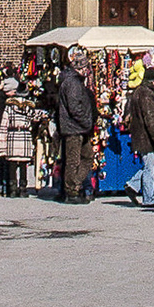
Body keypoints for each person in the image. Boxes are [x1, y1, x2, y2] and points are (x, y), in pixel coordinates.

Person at [54, 51, 97, 203]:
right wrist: (86, 121)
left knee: (87, 156)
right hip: (74, 127)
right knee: (73, 160)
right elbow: (74, 107)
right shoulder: (72, 83)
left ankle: (73, 184)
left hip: (78, 127)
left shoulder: (73, 81)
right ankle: (71, 190)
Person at [124, 63, 154, 209]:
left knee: (151, 165)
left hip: (141, 135)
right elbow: (150, 119)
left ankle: (132, 185)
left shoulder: (139, 91)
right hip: (146, 137)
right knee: (151, 167)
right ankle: (149, 198)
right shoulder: (147, 95)